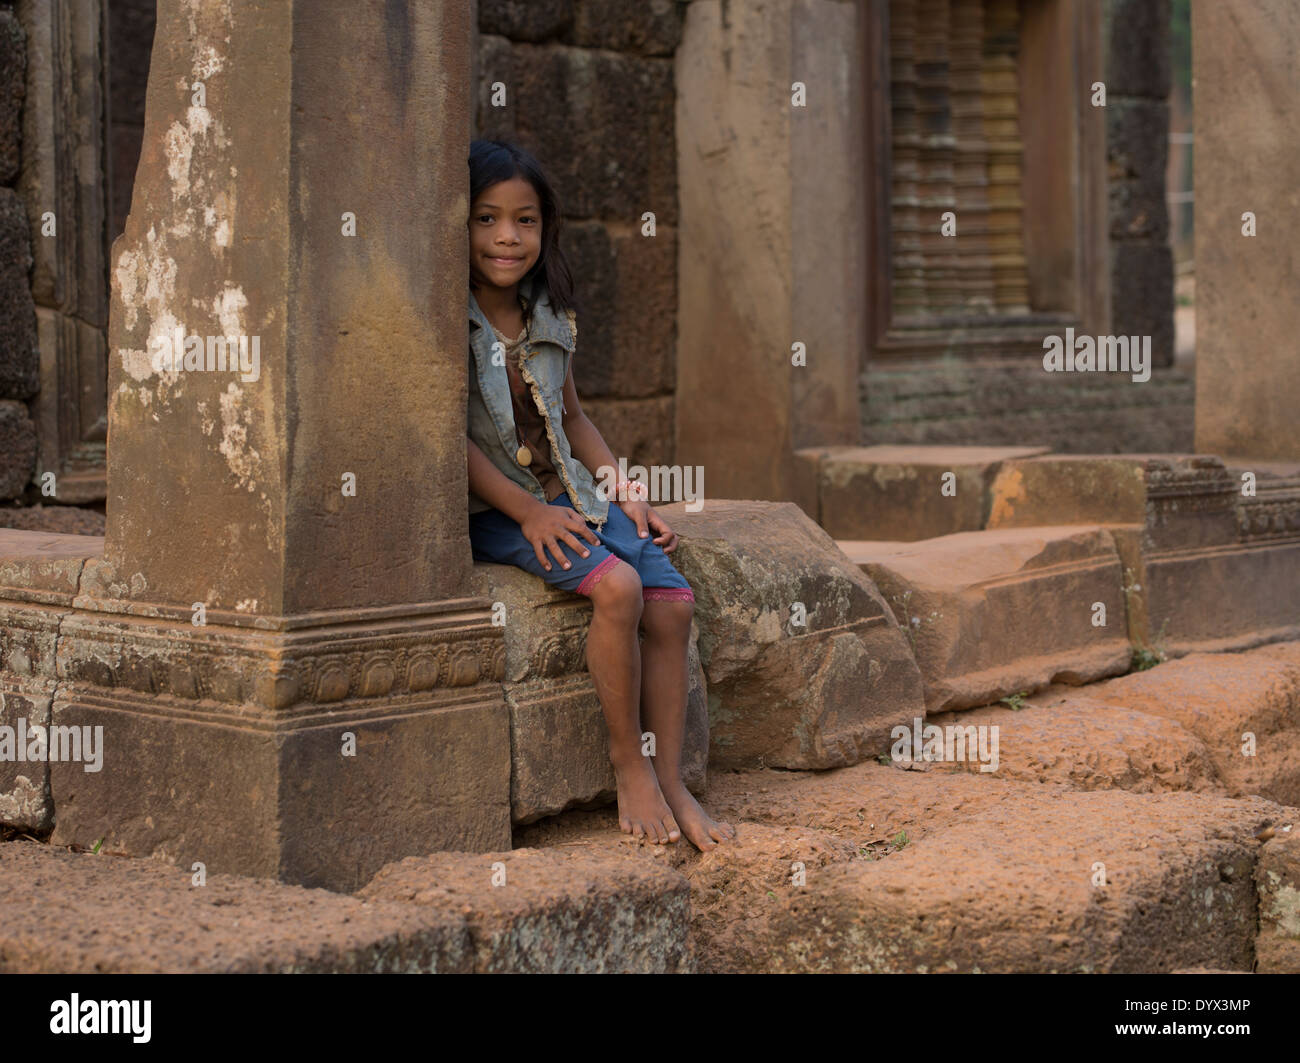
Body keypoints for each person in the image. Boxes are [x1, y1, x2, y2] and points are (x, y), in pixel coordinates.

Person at [464, 139, 735, 852]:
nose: (506, 237)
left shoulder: (548, 313)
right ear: (458, 225)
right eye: (486, 218)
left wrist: (624, 488)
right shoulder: (447, 320)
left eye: (524, 220)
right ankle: (629, 765)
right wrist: (527, 511)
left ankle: (672, 776)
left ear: (544, 229)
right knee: (617, 589)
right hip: (501, 510)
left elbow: (575, 418)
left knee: (673, 603)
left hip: (575, 494)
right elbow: (444, 443)